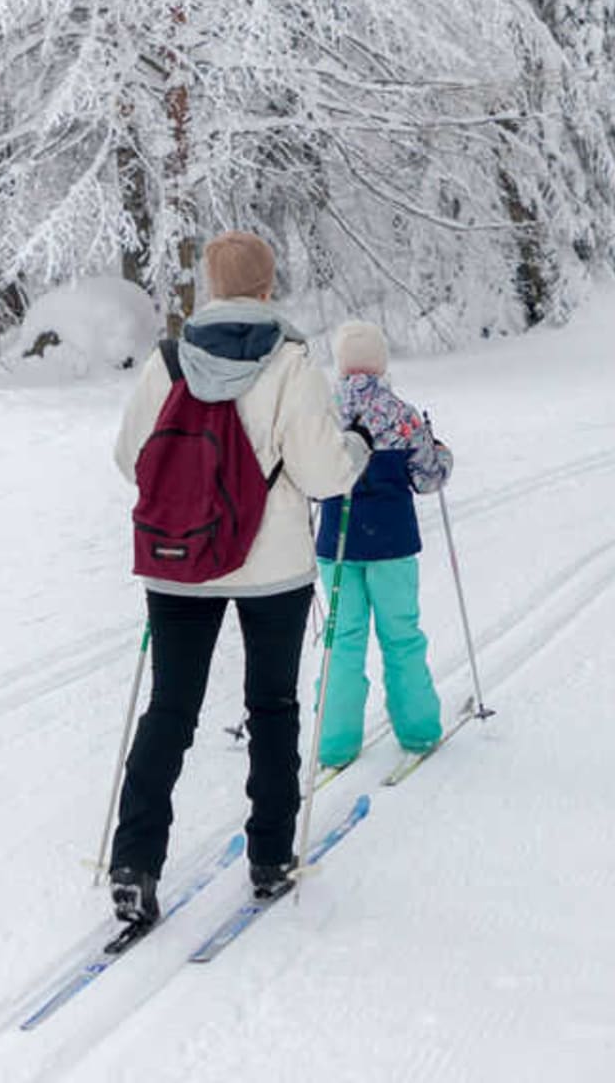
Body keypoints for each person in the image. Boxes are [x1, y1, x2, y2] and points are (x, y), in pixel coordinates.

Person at [107, 232, 368, 918]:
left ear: (210, 286)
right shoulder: (290, 365)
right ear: (265, 287)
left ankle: (134, 860)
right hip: (272, 567)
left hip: (178, 562)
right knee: (272, 706)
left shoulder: (166, 362)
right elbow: (320, 473)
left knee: (170, 708)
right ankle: (270, 856)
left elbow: (129, 455)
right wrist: (355, 449)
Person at [313, 320, 453, 770]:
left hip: (336, 545)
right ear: (381, 362)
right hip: (391, 543)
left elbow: (310, 479)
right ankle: (418, 728)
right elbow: (430, 477)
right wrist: (440, 451)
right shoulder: (402, 413)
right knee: (401, 636)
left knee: (342, 638)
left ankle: (334, 740)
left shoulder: (323, 411)